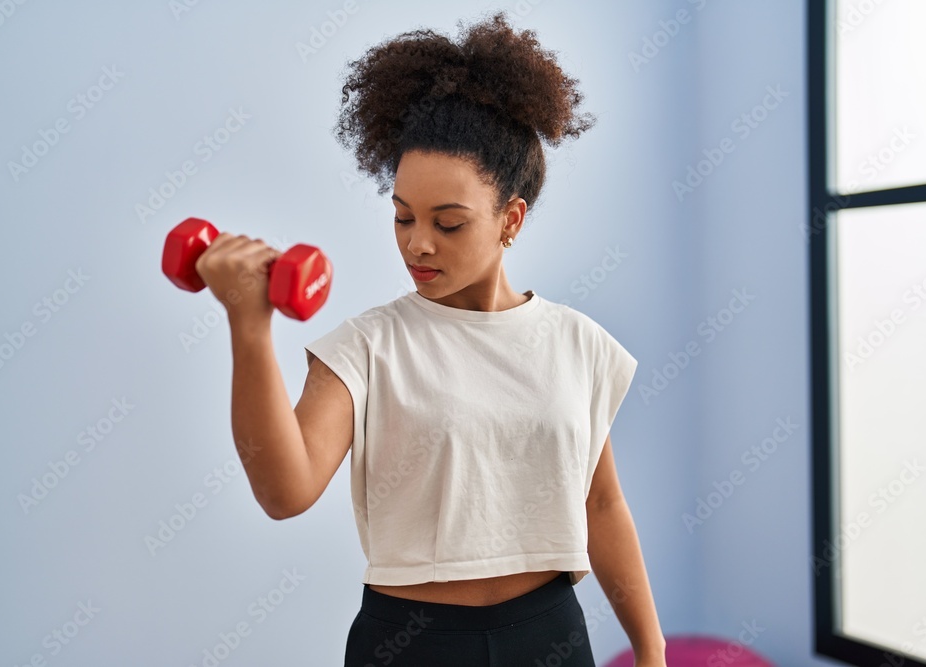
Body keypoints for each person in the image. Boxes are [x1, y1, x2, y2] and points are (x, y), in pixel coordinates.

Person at [194, 10, 666, 667]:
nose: (418, 242)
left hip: (552, 633)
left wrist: (651, 646)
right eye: (403, 216)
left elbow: (602, 502)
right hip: (412, 642)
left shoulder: (577, 343)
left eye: (448, 222)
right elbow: (284, 490)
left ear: (511, 219)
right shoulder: (366, 347)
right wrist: (249, 324)